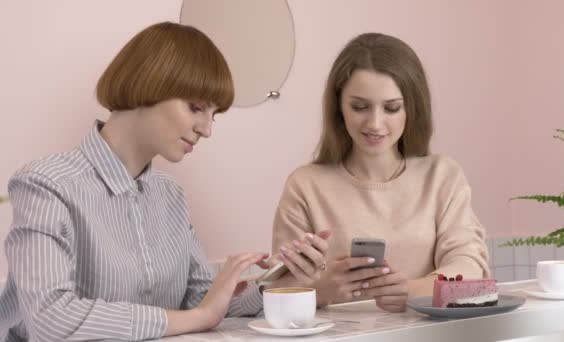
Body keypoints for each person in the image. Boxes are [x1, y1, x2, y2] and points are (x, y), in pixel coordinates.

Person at [0, 22, 330, 341]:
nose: (207, 129)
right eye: (196, 108)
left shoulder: (170, 195)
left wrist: (275, 283)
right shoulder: (45, 184)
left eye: (213, 115)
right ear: (147, 85)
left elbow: (205, 302)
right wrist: (197, 318)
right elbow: (49, 319)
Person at [272, 32, 490, 312]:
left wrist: (410, 290)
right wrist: (324, 288)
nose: (375, 123)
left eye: (391, 108)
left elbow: (470, 266)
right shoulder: (304, 185)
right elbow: (278, 290)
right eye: (359, 106)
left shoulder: (442, 177)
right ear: (339, 106)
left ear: (411, 109)